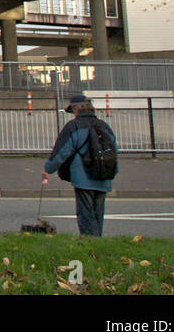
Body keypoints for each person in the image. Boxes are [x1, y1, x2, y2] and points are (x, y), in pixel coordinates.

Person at [43, 94, 119, 236]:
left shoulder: (74, 126)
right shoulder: (104, 126)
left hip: (83, 177)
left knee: (86, 214)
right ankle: (97, 242)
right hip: (104, 175)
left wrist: (48, 169)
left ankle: (91, 244)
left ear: (75, 110)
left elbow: (62, 152)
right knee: (97, 214)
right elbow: (114, 151)